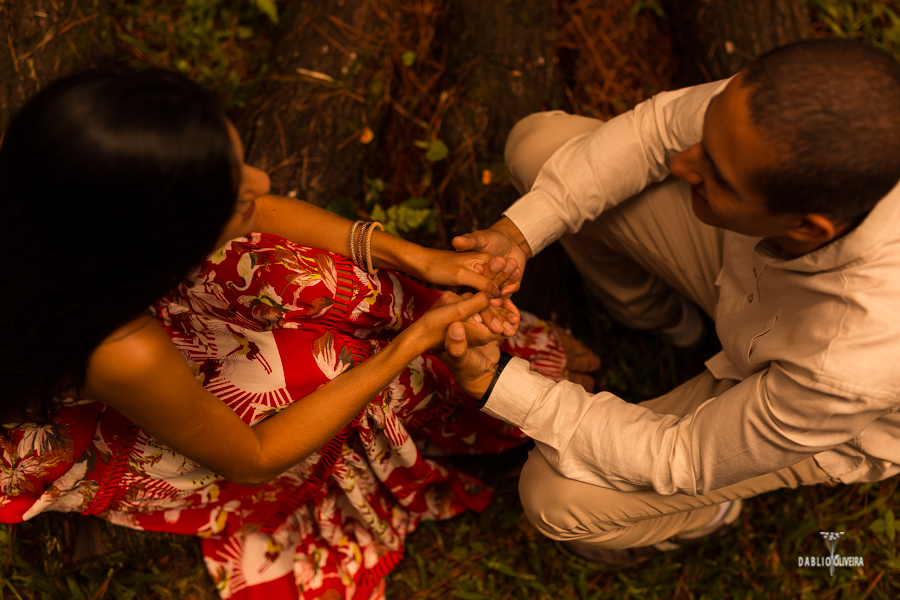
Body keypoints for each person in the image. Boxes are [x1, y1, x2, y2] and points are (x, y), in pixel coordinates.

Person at [0, 68, 599, 599]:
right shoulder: (120, 348)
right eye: (230, 194)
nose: (260, 181)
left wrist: (414, 258)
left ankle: (489, 371)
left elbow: (261, 212)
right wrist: (410, 343)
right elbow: (254, 459)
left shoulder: (72, 209)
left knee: (335, 281)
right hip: (93, 417)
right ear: (159, 245)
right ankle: (483, 399)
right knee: (335, 368)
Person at [444, 37, 900, 566]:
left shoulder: (853, 359)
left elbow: (684, 456)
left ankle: (704, 514)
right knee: (538, 145)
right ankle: (664, 319)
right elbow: (655, 132)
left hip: (825, 414)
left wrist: (499, 383)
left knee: (555, 497)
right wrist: (518, 235)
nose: (683, 164)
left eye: (717, 175)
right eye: (706, 137)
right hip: (746, 273)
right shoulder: (799, 113)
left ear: (806, 225)